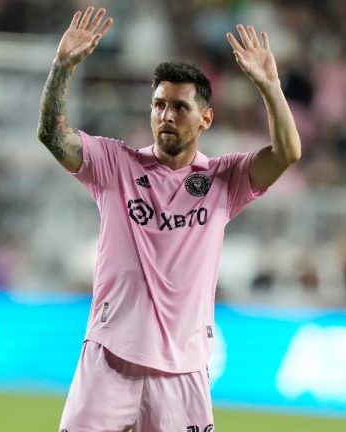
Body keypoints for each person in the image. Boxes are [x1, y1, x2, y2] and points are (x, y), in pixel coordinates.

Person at [37, 6, 301, 431]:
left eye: (180, 107)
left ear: (205, 119)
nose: (166, 116)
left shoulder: (223, 179)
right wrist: (62, 66)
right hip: (108, 358)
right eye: (159, 105)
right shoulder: (115, 163)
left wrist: (270, 85)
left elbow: (287, 154)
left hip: (182, 371)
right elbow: (52, 135)